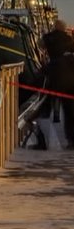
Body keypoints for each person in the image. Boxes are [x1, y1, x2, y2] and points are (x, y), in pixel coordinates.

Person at [40, 20, 74, 148]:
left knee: (45, 105)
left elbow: (40, 45)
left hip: (53, 73)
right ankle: (71, 140)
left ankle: (43, 139)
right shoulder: (68, 39)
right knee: (69, 111)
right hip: (69, 77)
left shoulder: (48, 37)